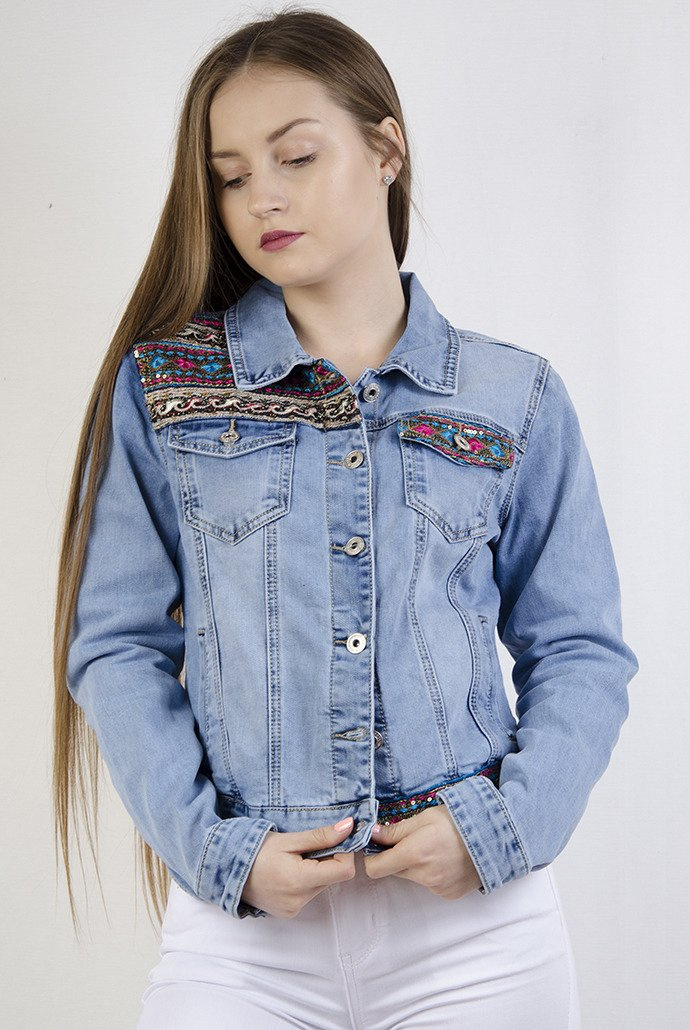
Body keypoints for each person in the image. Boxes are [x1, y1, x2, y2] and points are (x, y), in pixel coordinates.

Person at [53, 6, 638, 1028]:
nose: (262, 197)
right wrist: (217, 850)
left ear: (385, 150)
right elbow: (115, 646)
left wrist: (503, 826)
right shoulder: (168, 392)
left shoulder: (515, 397)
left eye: (295, 156)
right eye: (231, 176)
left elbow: (582, 647)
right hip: (243, 932)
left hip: (475, 929)